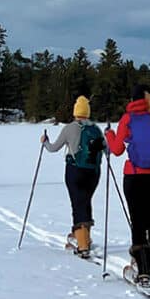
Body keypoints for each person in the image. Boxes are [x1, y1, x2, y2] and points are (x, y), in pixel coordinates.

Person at [104, 83, 150, 286]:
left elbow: (117, 150)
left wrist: (109, 135)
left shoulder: (127, 119)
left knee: (138, 221)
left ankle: (142, 271)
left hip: (134, 177)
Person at [41, 95, 104, 259]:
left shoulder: (70, 128)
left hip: (75, 170)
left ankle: (82, 244)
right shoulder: (96, 129)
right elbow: (108, 150)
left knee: (78, 203)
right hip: (94, 172)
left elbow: (54, 148)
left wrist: (45, 142)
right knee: (86, 201)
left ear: (76, 111)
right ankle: (84, 237)